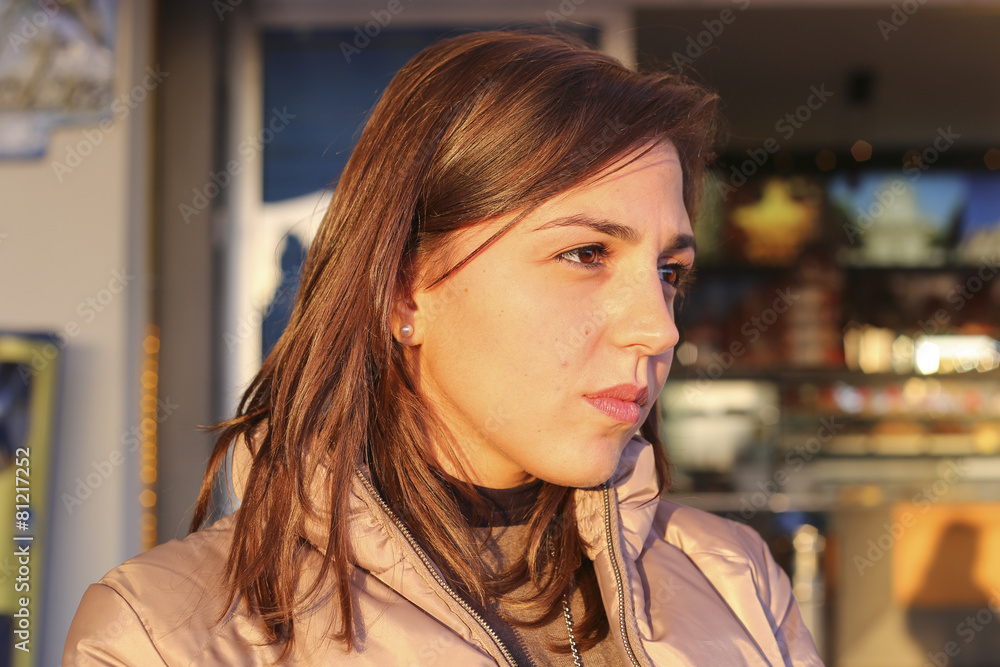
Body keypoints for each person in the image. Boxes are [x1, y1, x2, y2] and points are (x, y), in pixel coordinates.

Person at [64, 30, 823, 666]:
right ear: (403, 290)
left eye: (669, 272)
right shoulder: (162, 632)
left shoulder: (734, 579)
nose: (659, 328)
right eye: (586, 253)